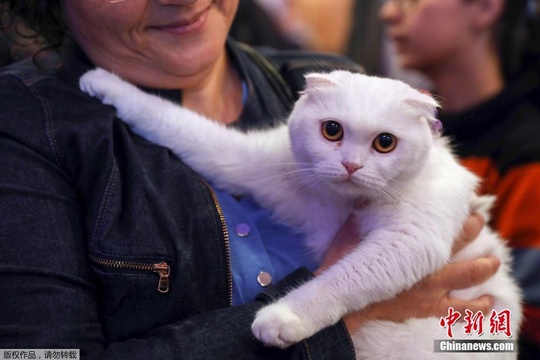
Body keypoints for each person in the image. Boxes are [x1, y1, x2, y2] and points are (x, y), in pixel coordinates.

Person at [0, 1, 499, 358]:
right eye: (333, 134)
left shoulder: (327, 81)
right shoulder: (24, 126)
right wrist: (343, 318)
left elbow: (485, 322)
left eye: (382, 145)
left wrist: (472, 337)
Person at [380, 0, 540, 357]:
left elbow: (527, 333)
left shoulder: (527, 157)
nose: (388, 13)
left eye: (410, 1)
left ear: (485, 8)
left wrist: (410, 324)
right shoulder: (398, 133)